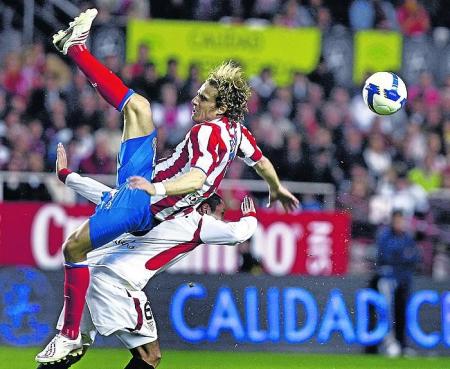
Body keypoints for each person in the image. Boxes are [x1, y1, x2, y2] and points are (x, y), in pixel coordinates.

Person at [36, 8, 299, 364]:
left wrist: (156, 190)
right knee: (139, 107)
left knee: (73, 248)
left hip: (142, 204)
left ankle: (68, 336)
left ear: (221, 108)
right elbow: (262, 161)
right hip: (140, 184)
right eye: (200, 93)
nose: (196, 99)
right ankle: (76, 47)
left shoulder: (207, 133)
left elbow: (198, 178)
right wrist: (277, 187)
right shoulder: (237, 133)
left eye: (204, 98)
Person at [37, 144, 258, 369]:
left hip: (86, 274)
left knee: (73, 347)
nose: (220, 220)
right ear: (203, 208)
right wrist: (250, 216)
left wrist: (67, 176)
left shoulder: (149, 206)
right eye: (220, 214)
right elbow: (238, 234)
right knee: (149, 356)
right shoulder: (198, 221)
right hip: (115, 281)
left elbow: (106, 195)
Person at [366, 210, 421, 356]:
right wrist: (402, 258)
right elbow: (384, 257)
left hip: (404, 281)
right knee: (386, 312)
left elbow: (414, 258)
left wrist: (401, 259)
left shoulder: (408, 238)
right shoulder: (385, 237)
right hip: (388, 280)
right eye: (397, 221)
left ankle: (401, 343)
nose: (400, 224)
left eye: (402, 221)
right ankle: (388, 343)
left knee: (402, 314)